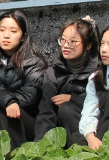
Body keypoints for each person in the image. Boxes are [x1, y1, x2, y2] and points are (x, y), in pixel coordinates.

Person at [0, 10, 47, 149]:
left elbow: (29, 96)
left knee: (2, 111)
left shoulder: (35, 63)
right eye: (2, 30)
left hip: (27, 121)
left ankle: (16, 157)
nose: (6, 35)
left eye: (13, 31)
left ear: (23, 36)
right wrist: (4, 101)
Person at [35, 16, 100, 147]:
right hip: (62, 135)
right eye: (63, 40)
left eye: (73, 41)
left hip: (93, 131)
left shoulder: (98, 72)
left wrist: (74, 99)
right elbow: (46, 113)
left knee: (67, 108)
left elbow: (103, 103)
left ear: (88, 45)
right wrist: (40, 146)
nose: (66, 45)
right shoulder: (52, 73)